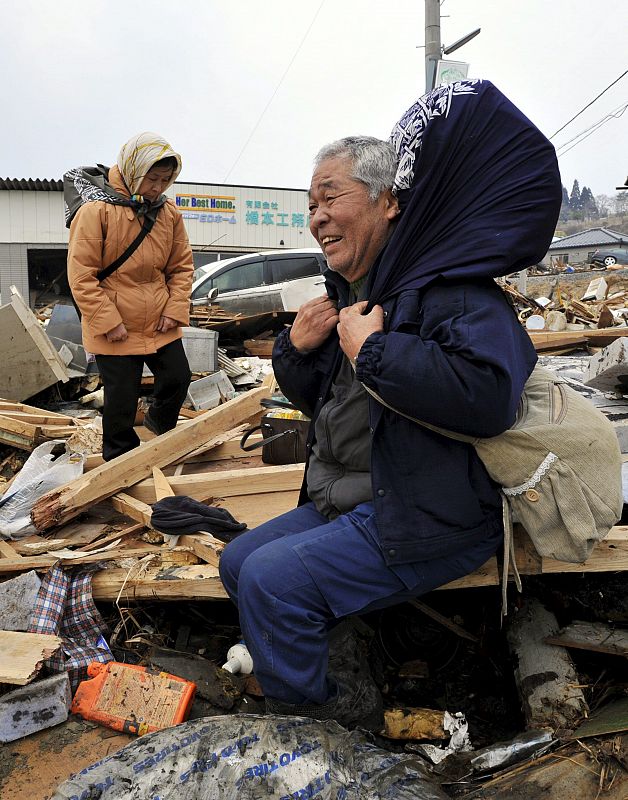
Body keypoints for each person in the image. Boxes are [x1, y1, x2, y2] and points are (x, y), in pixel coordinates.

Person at [219, 80, 562, 730]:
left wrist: (375, 352)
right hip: (355, 495)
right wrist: (297, 349)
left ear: (388, 203)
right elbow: (321, 402)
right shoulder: (356, 293)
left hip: (429, 513)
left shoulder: (449, 288)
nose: (315, 217)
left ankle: (324, 732)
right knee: (239, 562)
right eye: (310, 204)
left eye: (330, 198)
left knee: (271, 581)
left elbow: (489, 394)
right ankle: (346, 667)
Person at [66, 132, 193, 461]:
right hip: (115, 324)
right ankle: (119, 462)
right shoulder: (96, 211)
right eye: (152, 179)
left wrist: (174, 309)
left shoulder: (169, 214)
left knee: (178, 377)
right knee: (121, 401)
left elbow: (181, 268)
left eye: (166, 180)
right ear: (134, 171)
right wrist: (108, 322)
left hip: (158, 321)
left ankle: (158, 426)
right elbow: (81, 275)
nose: (158, 188)